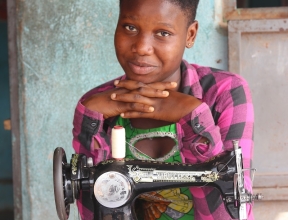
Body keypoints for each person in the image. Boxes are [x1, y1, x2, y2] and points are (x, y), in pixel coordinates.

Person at [72, 0, 254, 219]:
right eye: (130, 27)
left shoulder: (224, 93)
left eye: (163, 33)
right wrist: (88, 121)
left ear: (190, 35)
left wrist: (194, 119)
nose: (141, 47)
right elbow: (95, 211)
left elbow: (230, 214)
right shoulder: (97, 108)